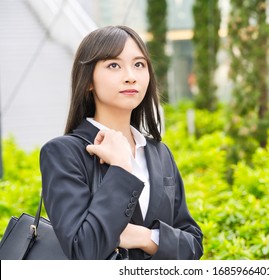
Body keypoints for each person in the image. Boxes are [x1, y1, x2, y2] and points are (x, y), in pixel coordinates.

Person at [39, 26, 203, 260]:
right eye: (113, 65)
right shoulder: (63, 153)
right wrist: (121, 169)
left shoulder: (159, 153)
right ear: (88, 81)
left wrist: (145, 237)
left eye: (139, 64)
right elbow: (83, 250)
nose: (130, 76)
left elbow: (193, 245)